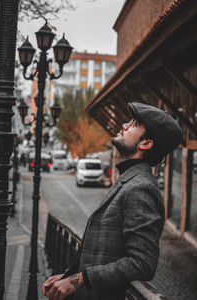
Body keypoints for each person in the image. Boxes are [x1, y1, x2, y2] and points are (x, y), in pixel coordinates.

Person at [42, 102, 182, 300]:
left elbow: (142, 263)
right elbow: (105, 252)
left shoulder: (141, 188)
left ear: (146, 143)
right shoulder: (128, 180)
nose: (124, 125)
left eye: (134, 124)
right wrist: (69, 276)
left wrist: (80, 280)